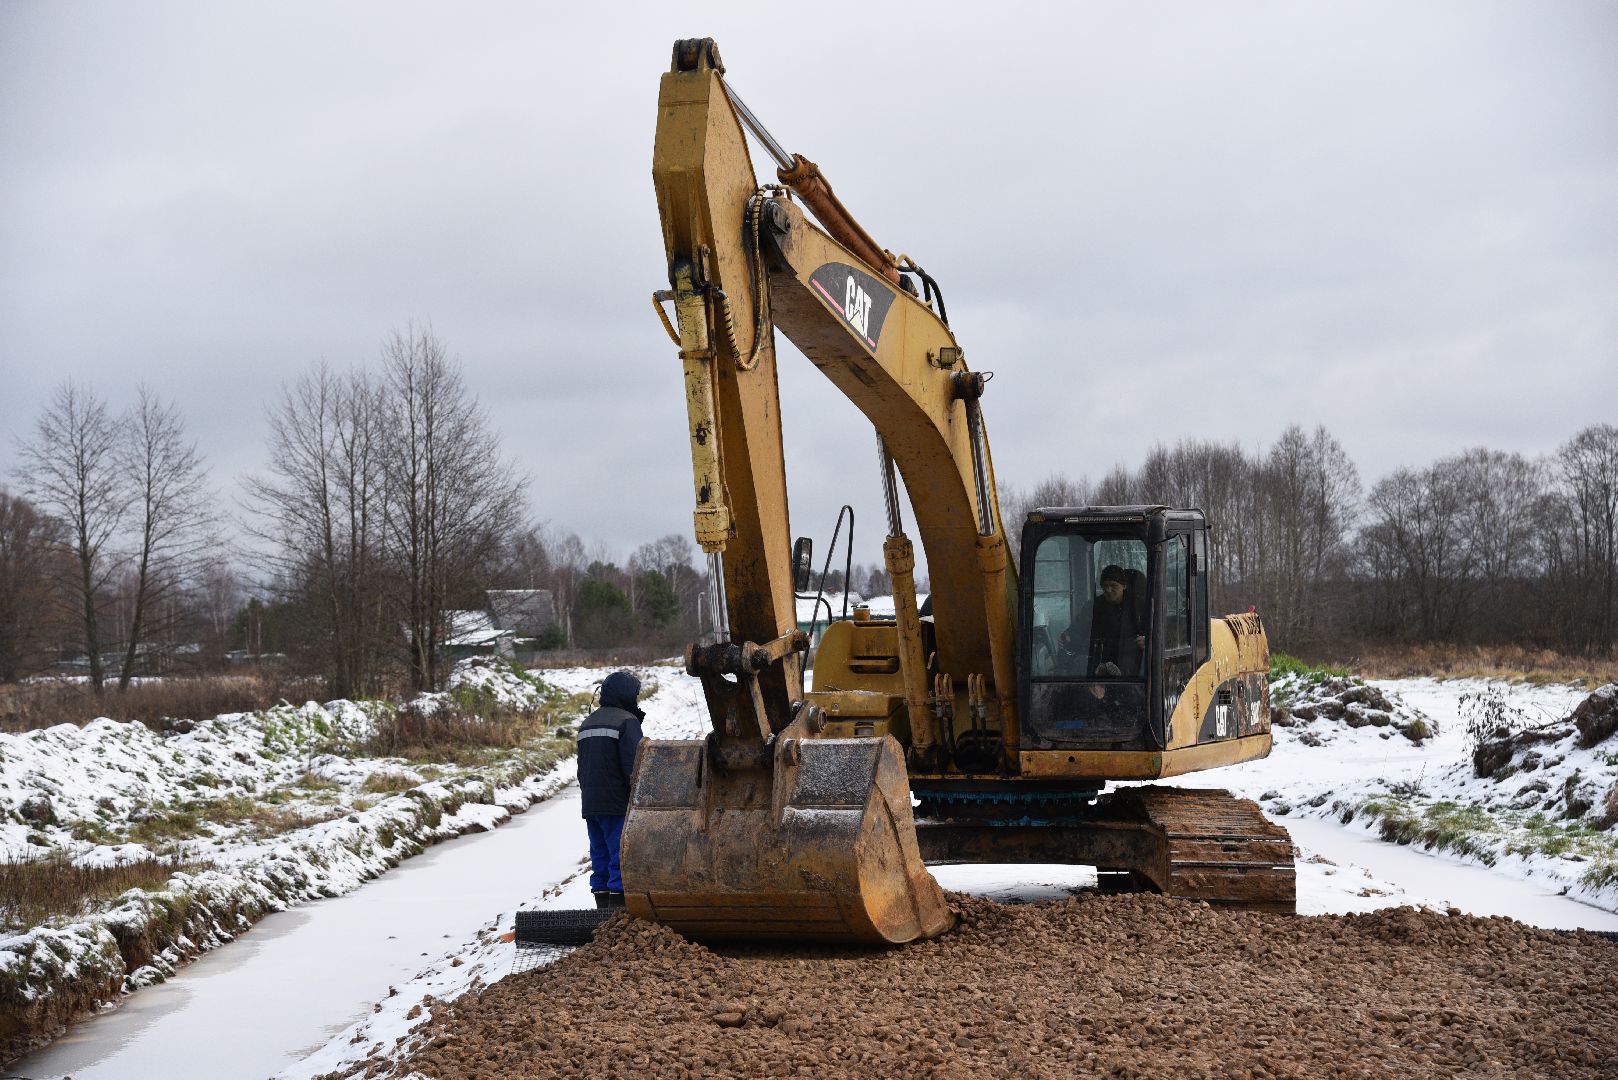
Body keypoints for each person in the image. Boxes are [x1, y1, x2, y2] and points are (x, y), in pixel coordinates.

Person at [578, 669, 645, 909]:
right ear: (626, 694)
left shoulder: (587, 723)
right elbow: (634, 766)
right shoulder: (627, 722)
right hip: (617, 803)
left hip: (591, 804)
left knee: (600, 855)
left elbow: (581, 768)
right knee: (619, 855)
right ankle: (618, 913)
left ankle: (601, 909)